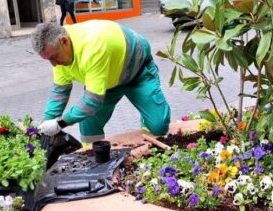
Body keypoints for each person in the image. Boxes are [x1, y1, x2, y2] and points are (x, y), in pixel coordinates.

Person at [32, 20, 171, 142]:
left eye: (54, 57)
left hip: (137, 72)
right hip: (107, 80)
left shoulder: (92, 47)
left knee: (158, 126)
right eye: (48, 59)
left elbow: (92, 102)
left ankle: (147, 116)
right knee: (88, 125)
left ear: (64, 41)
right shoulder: (59, 55)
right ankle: (94, 155)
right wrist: (44, 126)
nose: (54, 64)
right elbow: (59, 93)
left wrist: (60, 123)